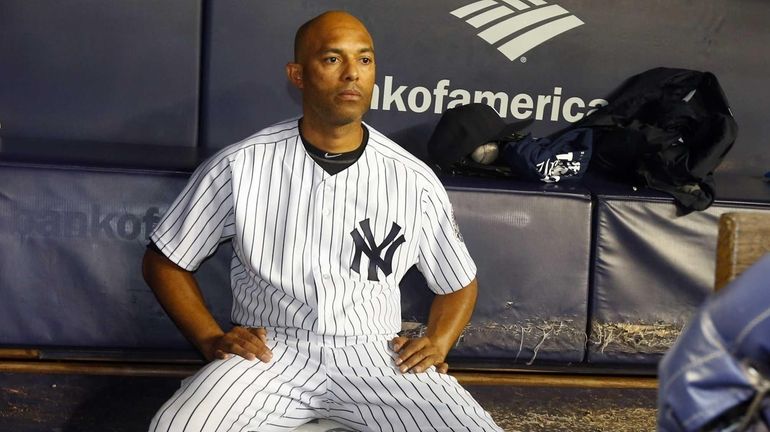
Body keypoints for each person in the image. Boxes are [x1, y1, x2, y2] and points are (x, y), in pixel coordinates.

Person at [142, 10, 502, 432]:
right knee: (176, 427)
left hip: (377, 355)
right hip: (271, 352)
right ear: (297, 74)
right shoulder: (240, 164)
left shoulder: (412, 178)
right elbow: (164, 261)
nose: (352, 73)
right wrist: (209, 338)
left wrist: (438, 343)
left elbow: (458, 281)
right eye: (333, 59)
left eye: (364, 60)